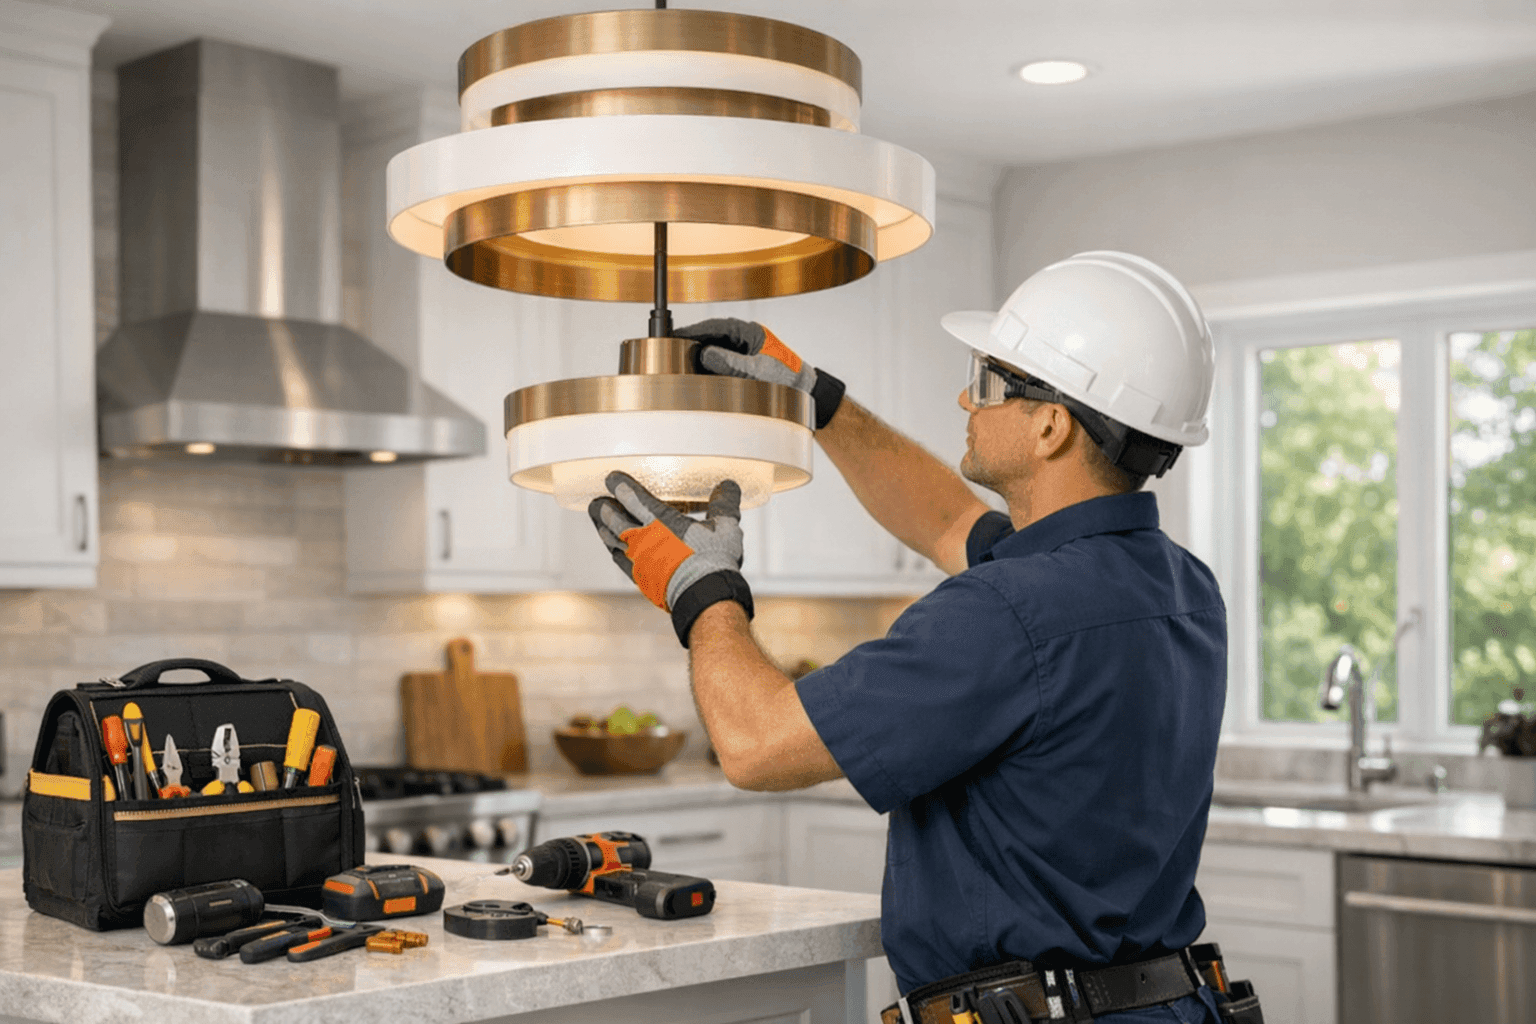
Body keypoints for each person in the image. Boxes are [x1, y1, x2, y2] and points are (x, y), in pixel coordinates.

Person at [588, 251, 1233, 1023]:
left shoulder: (1003, 613)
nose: (966, 395)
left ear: (1051, 426)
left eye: (991, 383)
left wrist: (702, 593)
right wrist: (815, 399)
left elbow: (756, 743)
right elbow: (945, 520)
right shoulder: (1180, 588)